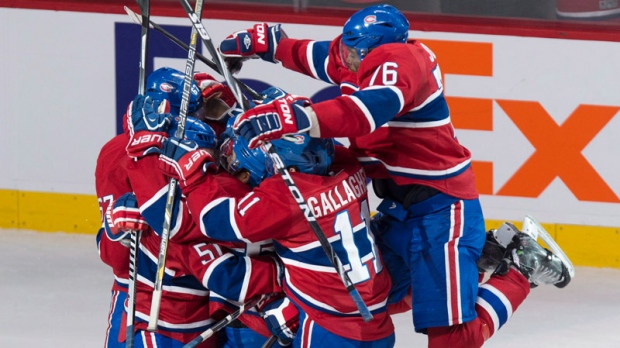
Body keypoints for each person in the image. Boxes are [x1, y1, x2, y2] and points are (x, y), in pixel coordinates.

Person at [217, 5, 572, 347]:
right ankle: (484, 254)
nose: (347, 59)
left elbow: (365, 112)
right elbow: (326, 57)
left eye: (356, 53)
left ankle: (520, 271)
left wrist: (296, 118)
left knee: (452, 341)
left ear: (378, 50)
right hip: (402, 208)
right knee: (371, 298)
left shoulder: (404, 63)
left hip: (441, 212)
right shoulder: (361, 55)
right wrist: (271, 45)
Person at [156, 120, 395, 346]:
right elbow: (320, 142)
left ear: (289, 167)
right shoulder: (349, 167)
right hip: (375, 312)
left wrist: (192, 171)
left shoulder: (287, 197)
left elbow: (215, 219)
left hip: (330, 322)